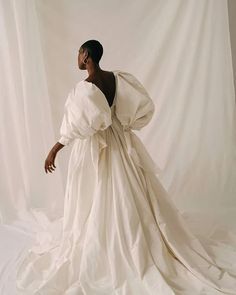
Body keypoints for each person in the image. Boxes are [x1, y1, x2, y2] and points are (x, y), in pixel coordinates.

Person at [16, 40, 236, 294]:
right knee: (128, 189)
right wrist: (121, 126)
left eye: (78, 53)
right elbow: (140, 108)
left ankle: (106, 243)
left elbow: (75, 127)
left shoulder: (84, 89)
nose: (76, 57)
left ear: (86, 56)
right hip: (120, 140)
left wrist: (54, 149)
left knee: (97, 191)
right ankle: (134, 235)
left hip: (95, 147)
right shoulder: (117, 79)